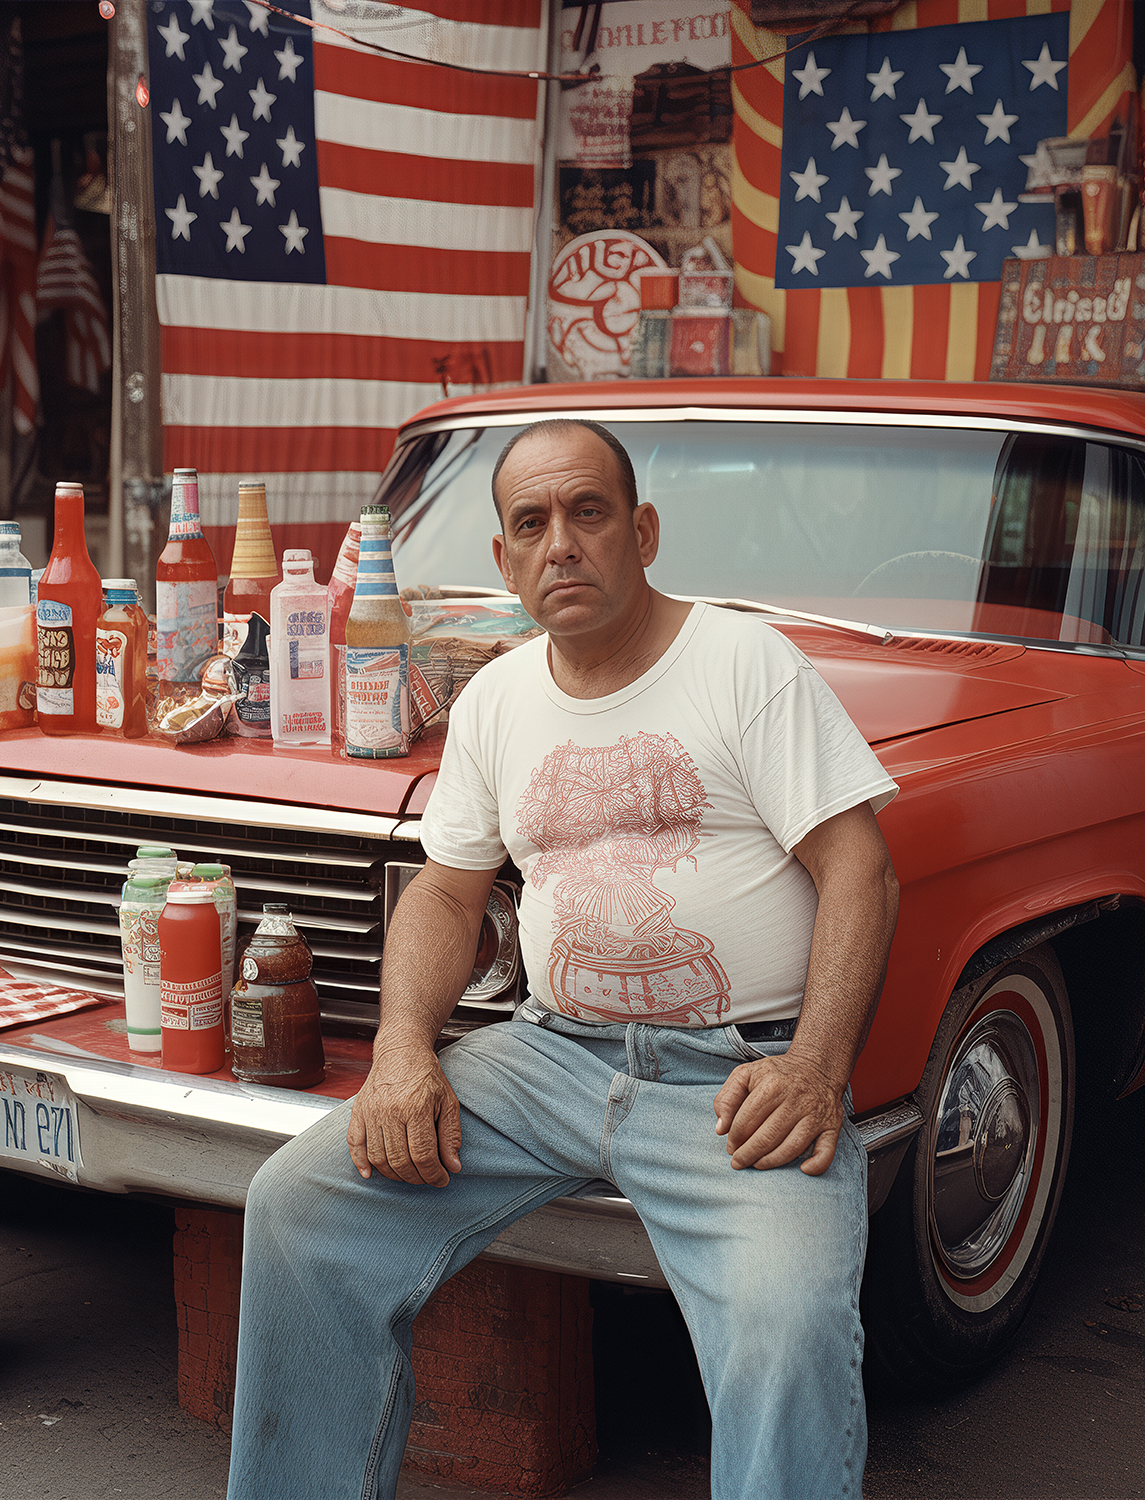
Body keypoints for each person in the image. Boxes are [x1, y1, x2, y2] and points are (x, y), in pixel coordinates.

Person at [227, 419, 900, 1500]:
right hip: (547, 1059)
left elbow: (860, 867)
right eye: (532, 524)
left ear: (643, 531)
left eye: (589, 513)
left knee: (787, 1323)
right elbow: (445, 894)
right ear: (504, 560)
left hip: (735, 1082)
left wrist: (817, 1066)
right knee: (298, 1208)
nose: (562, 545)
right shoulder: (497, 698)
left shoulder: (745, 663)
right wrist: (402, 1051)